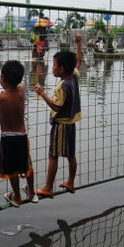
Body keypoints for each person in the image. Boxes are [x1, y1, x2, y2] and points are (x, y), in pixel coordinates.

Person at [34, 34, 83, 197]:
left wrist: (42, 93)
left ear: (61, 69)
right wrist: (79, 44)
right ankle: (70, 182)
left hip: (61, 125)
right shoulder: (74, 76)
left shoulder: (62, 85)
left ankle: (48, 188)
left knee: (53, 155)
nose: (52, 68)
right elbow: (78, 61)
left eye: (54, 65)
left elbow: (56, 105)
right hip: (71, 124)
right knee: (71, 155)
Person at [0, 60, 38, 207]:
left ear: (2, 79)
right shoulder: (21, 91)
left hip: (7, 139)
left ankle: (17, 197)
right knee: (27, 165)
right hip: (22, 137)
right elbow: (20, 85)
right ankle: (32, 192)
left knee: (12, 170)